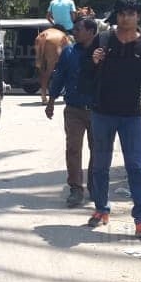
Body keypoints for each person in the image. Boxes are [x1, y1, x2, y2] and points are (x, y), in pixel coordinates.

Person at [87, 0, 141, 239]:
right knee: (100, 166)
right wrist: (93, 61)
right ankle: (101, 209)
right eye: (121, 13)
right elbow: (84, 75)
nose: (125, 18)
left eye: (130, 14)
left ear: (138, 16)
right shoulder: (102, 40)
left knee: (135, 168)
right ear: (117, 16)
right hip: (102, 114)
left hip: (131, 117)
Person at [45, 17, 99, 207]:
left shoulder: (102, 52)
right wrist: (51, 101)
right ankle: (76, 189)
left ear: (91, 32)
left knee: (98, 150)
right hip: (74, 109)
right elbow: (59, 77)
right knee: (73, 149)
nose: (74, 32)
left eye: (78, 29)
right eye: (74, 29)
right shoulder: (68, 52)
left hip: (97, 110)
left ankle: (95, 186)